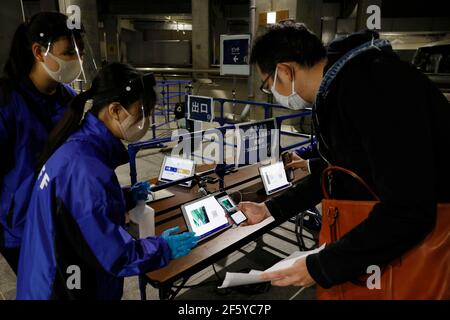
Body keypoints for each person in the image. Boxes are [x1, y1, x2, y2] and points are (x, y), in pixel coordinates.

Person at [240, 22, 450, 289]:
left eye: (267, 85)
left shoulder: (374, 87)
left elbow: (408, 209)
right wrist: (269, 209)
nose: (272, 94)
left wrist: (322, 266)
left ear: (284, 71)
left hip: (423, 257)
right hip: (389, 250)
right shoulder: (343, 89)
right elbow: (335, 172)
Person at [16, 62, 198, 300]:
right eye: (143, 112)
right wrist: (162, 248)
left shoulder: (81, 149)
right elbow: (113, 254)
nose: (148, 121)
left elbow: (77, 212)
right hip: (61, 289)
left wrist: (123, 198)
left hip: (49, 275)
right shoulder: (86, 168)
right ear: (115, 110)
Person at [0, 12, 85, 274]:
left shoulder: (71, 100)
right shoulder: (7, 102)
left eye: (80, 52)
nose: (77, 61)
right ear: (39, 51)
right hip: (22, 227)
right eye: (69, 52)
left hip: (62, 220)